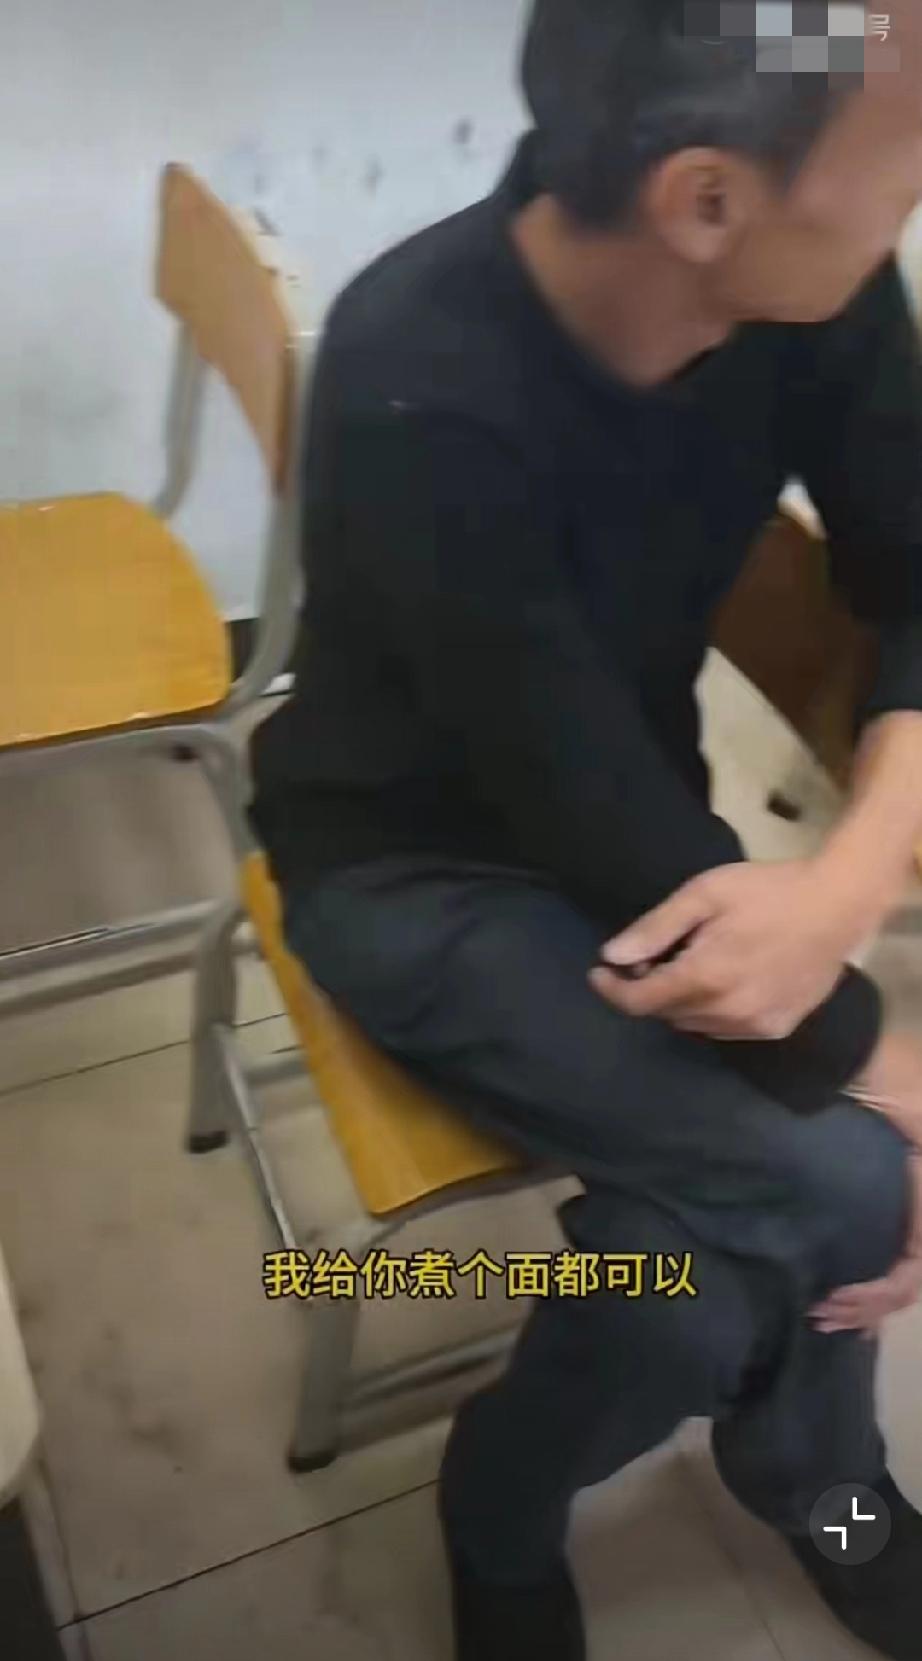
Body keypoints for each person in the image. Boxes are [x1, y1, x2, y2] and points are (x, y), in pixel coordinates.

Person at [250, 3, 922, 1656]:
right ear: (706, 198)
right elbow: (563, 788)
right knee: (848, 1183)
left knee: (677, 1274)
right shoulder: (418, 376)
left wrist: (845, 882)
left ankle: (516, 1491)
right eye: (901, 159)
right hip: (417, 873)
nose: (910, 195)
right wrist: (869, 1057)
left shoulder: (811, 289)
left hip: (643, 830)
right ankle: (801, 1481)